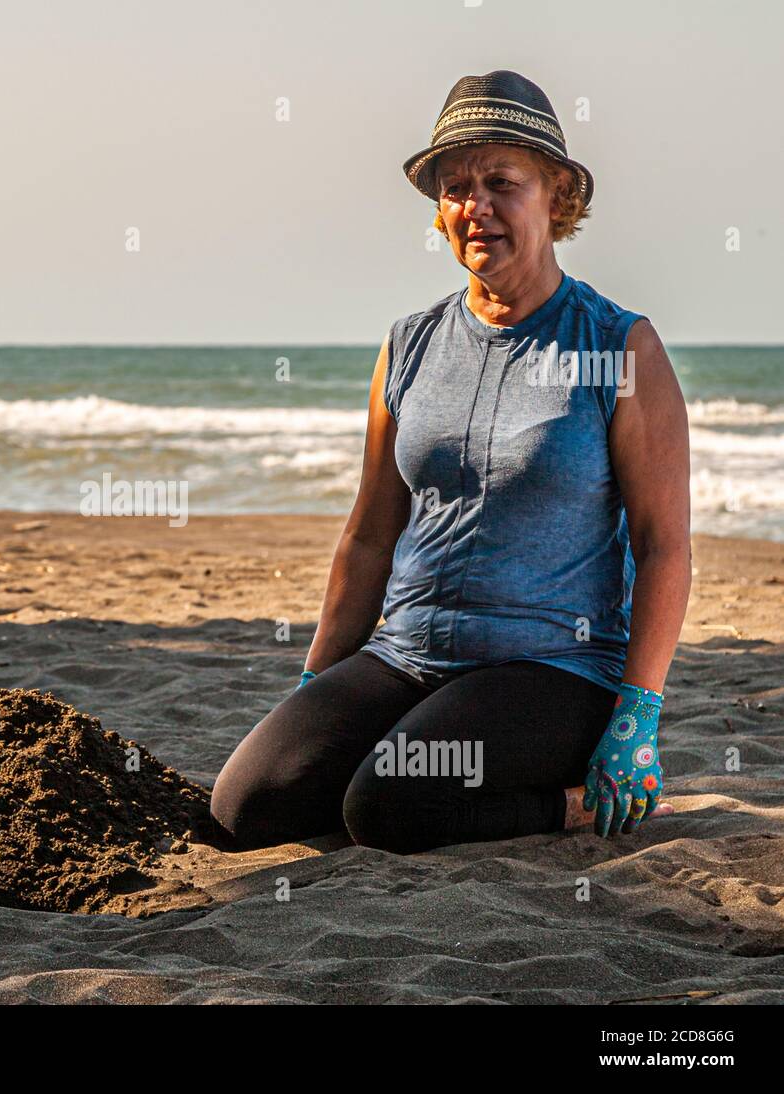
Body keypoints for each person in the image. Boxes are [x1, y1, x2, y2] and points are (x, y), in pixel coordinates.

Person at [211, 70, 691, 854]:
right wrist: (317, 689)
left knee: (386, 807)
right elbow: (370, 533)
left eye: (503, 182)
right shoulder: (410, 344)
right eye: (456, 186)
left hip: (553, 669)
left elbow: (663, 543)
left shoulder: (619, 346)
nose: (478, 207)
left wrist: (638, 713)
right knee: (251, 805)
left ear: (557, 195)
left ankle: (563, 805)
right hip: (406, 655)